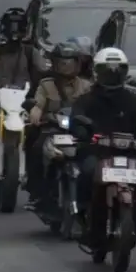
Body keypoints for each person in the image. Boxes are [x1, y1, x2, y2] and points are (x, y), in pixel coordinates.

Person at [69, 47, 136, 240]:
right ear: (96, 71)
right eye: (107, 70)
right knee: (86, 174)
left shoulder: (134, 100)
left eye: (117, 70)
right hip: (95, 152)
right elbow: (76, 119)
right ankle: (81, 216)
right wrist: (82, 132)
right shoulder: (86, 100)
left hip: (128, 154)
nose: (112, 74)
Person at [0, 7, 48, 170]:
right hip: (0, 97)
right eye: (11, 26)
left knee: (39, 127)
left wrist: (44, 80)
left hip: (27, 98)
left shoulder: (31, 52)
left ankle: (36, 163)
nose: (14, 32)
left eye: (18, 27)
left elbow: (44, 71)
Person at [25, 42, 93, 208]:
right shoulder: (46, 85)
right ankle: (37, 192)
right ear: (55, 64)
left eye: (70, 62)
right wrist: (36, 111)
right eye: (62, 63)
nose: (66, 67)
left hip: (79, 130)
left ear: (78, 64)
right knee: (36, 148)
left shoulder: (87, 86)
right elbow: (38, 104)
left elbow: (94, 107)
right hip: (53, 129)